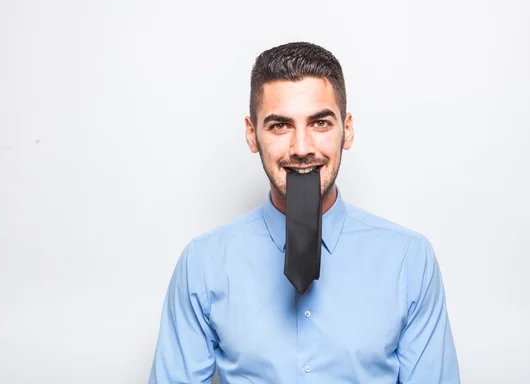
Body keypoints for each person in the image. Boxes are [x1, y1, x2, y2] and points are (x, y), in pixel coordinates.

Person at [148, 42, 460, 383]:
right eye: (280, 125)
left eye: (320, 123)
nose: (301, 149)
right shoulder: (203, 263)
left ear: (348, 129)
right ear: (252, 135)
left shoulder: (409, 260)